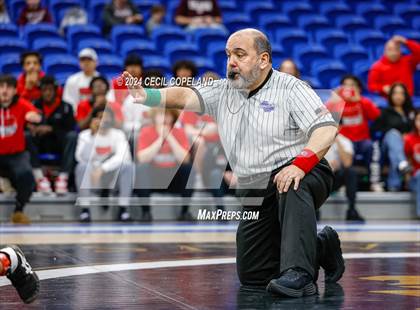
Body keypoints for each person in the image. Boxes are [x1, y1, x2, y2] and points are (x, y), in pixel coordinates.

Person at [124, 28, 344, 297]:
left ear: (263, 59)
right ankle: (321, 246)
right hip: (256, 187)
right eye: (229, 55)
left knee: (291, 185)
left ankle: (300, 275)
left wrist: (300, 164)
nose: (231, 62)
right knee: (253, 276)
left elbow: (326, 130)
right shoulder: (222, 91)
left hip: (304, 170)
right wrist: (148, 95)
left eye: (240, 54)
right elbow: (183, 96)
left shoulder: (292, 88)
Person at [75, 107, 133, 222]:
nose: (103, 120)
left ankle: (123, 210)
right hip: (92, 181)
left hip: (113, 180)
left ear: (111, 120)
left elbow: (124, 157)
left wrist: (102, 169)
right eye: (100, 117)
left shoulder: (118, 134)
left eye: (106, 117)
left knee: (128, 167)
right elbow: (80, 157)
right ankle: (85, 211)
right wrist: (93, 136)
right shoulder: (85, 135)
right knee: (81, 167)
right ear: (93, 120)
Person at [135, 108, 194, 222]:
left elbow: (185, 159)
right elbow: (142, 158)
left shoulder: (179, 132)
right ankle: (146, 212)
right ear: (154, 117)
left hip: (173, 178)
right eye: (161, 114)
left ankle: (185, 212)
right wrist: (161, 139)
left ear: (173, 118)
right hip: (154, 178)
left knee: (188, 169)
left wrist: (170, 137)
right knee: (141, 168)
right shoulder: (146, 131)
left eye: (168, 115)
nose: (164, 118)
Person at [326, 75, 381, 191]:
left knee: (372, 147)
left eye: (352, 85)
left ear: (358, 88)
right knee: (336, 147)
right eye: (345, 85)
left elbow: (376, 115)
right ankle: (342, 183)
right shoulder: (337, 103)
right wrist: (332, 100)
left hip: (362, 140)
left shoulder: (362, 101)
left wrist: (359, 100)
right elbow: (321, 115)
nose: (348, 88)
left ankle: (374, 182)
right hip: (344, 139)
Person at [0, 75, 41, 224]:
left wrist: (35, 117)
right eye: (1, 87)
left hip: (16, 154)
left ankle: (18, 210)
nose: (4, 91)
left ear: (15, 90)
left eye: (8, 87)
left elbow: (36, 114)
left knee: (27, 176)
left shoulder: (22, 104)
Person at [29, 76, 77, 194]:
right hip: (40, 143)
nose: (48, 93)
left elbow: (70, 127)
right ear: (40, 91)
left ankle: (63, 177)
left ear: (56, 90)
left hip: (59, 143)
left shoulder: (66, 107)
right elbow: (26, 123)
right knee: (26, 136)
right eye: (44, 90)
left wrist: (51, 129)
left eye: (50, 90)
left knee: (72, 136)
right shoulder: (33, 105)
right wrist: (32, 127)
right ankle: (39, 177)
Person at [372, 83, 415, 190]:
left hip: (408, 146)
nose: (398, 96)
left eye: (401, 93)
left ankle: (394, 186)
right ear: (391, 95)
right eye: (395, 93)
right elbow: (375, 130)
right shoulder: (385, 112)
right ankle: (402, 163)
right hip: (386, 146)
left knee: (395, 154)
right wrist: (399, 135)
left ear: (406, 96)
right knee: (392, 134)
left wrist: (408, 136)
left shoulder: (411, 112)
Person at [325, 134, 364, 221]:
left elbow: (347, 163)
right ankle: (314, 211)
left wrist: (337, 142)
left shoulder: (344, 141)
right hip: (321, 174)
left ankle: (352, 209)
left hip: (335, 177)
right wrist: (326, 166)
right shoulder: (317, 139)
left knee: (351, 172)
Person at [404, 110, 420, 218]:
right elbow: (407, 161)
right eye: (419, 120)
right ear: (415, 122)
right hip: (416, 180)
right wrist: (407, 179)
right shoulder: (409, 139)